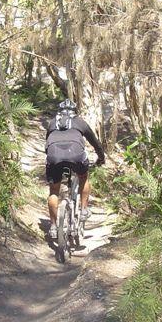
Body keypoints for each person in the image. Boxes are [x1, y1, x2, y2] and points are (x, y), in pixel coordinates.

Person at [45, 99, 105, 239]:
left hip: (54, 158)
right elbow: (95, 143)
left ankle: (54, 227)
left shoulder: (52, 123)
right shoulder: (80, 122)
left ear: (59, 112)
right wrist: (101, 158)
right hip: (76, 156)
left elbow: (47, 143)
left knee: (54, 191)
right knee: (83, 177)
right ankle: (83, 210)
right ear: (75, 112)